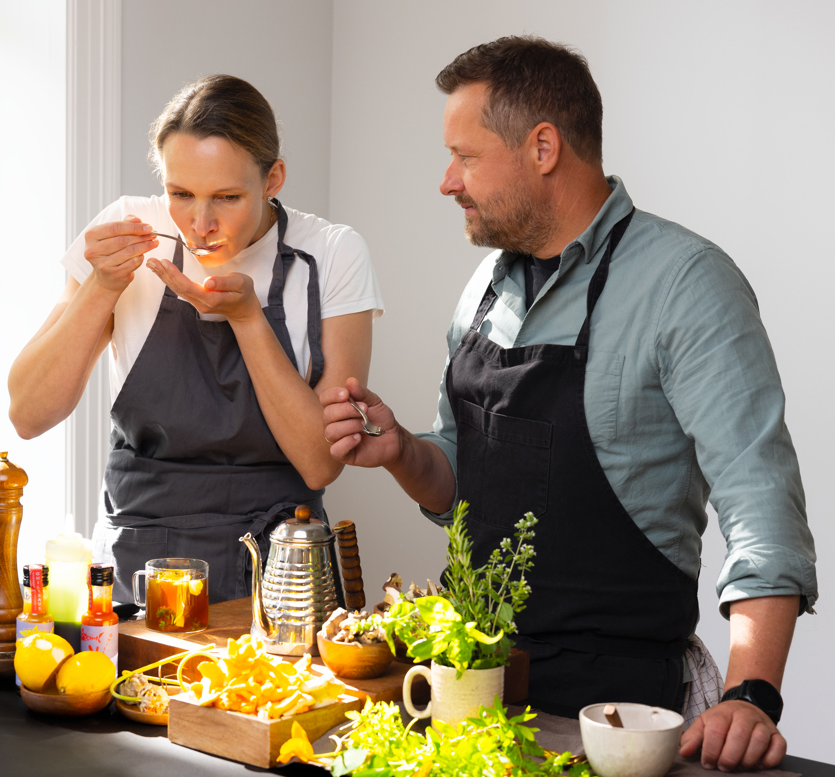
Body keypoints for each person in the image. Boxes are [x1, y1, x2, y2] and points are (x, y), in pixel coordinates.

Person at [320, 36, 816, 771]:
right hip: (472, 694)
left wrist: (751, 692)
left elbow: (761, 506)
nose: (446, 181)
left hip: (615, 712)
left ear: (543, 147)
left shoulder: (685, 284)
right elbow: (460, 478)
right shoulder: (486, 285)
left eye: (464, 155)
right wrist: (402, 453)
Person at [9, 74, 383, 606]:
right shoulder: (128, 231)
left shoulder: (333, 254)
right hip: (138, 563)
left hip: (282, 572)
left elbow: (321, 463)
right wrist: (101, 286)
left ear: (273, 178)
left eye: (227, 197)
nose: (200, 223)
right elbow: (28, 414)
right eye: (180, 194)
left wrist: (249, 320)